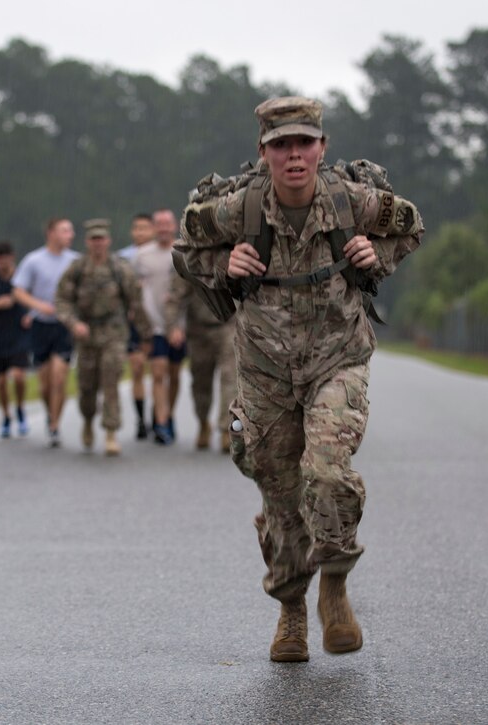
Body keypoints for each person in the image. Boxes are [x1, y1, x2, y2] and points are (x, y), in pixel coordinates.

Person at [177, 96, 424, 662]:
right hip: (264, 372)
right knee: (282, 496)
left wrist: (376, 252)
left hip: (337, 358)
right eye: (280, 145)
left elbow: (410, 226)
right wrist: (223, 265)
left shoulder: (353, 202)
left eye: (304, 143)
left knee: (327, 469)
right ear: (263, 153)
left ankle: (334, 581)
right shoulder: (234, 211)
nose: (294, 155)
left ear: (322, 148)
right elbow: (186, 250)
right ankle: (291, 610)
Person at [55, 219, 151, 456]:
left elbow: (135, 303)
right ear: (87, 242)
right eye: (93, 239)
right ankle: (88, 420)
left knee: (111, 380)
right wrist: (73, 323)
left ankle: (110, 431)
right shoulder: (77, 269)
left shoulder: (119, 269)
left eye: (101, 239)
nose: (98, 243)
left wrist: (146, 335)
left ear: (107, 241)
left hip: (114, 332)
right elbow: (62, 300)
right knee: (87, 387)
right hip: (86, 334)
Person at [12, 218, 80, 447]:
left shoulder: (75, 261)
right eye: (65, 230)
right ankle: (50, 413)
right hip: (41, 324)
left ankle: (54, 426)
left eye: (71, 230)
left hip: (64, 325)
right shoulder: (34, 260)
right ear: (51, 233)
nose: (70, 234)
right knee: (45, 384)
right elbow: (18, 292)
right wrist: (38, 306)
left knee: (60, 378)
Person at [165, 276, 237, 453]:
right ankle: (203, 421)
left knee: (231, 379)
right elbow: (175, 297)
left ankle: (226, 430)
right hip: (198, 330)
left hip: (228, 327)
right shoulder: (188, 256)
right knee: (200, 381)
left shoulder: (232, 252)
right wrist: (172, 326)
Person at [132, 208, 185, 445]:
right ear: (154, 228)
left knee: (174, 374)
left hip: (179, 325)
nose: (163, 228)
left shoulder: (183, 252)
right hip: (154, 325)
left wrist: (180, 325)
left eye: (167, 224)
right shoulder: (142, 255)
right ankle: (161, 422)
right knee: (158, 372)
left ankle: (169, 414)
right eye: (159, 224)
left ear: (174, 226)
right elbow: (132, 287)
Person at [0, 240, 32, 438]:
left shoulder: (23, 279)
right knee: (2, 380)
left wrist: (31, 315)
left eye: (5, 258)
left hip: (20, 334)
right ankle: (5, 415)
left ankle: (20, 407)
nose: (2, 262)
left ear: (12, 258)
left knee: (19, 376)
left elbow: (36, 298)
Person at [117, 212, 154, 439]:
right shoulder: (122, 258)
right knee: (138, 369)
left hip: (157, 321)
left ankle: (161, 416)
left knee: (160, 371)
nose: (140, 232)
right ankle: (141, 419)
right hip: (134, 323)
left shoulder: (165, 254)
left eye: (145, 228)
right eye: (137, 228)